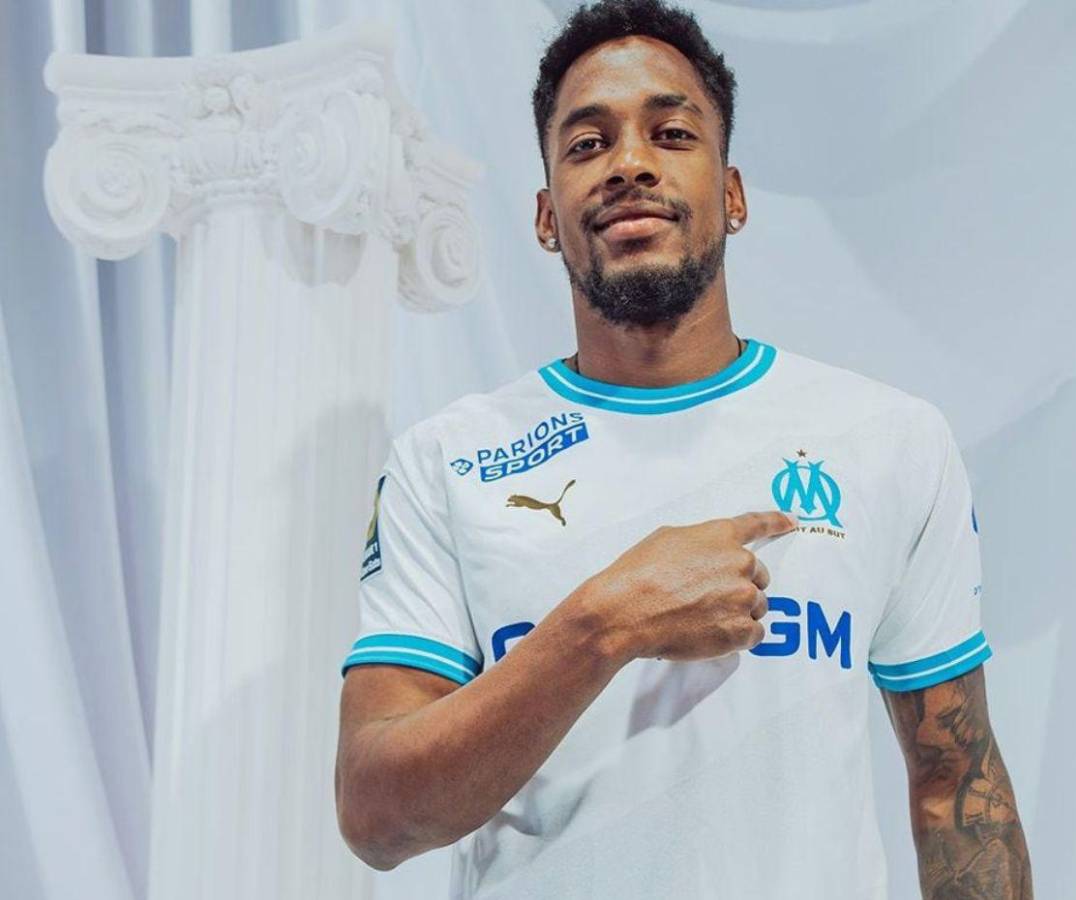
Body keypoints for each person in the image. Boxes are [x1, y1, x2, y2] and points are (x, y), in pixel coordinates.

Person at [334, 1, 1033, 896]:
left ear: (732, 196)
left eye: (670, 133)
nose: (629, 164)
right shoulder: (446, 461)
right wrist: (603, 625)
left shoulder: (888, 440)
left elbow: (956, 785)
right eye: (588, 144)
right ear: (546, 217)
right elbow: (377, 816)